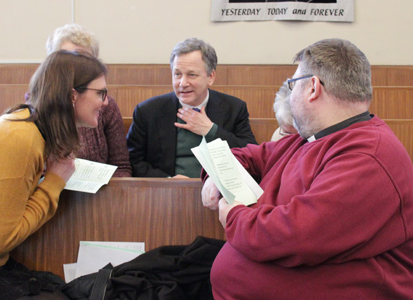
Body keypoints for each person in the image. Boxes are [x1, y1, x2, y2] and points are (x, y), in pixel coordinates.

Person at [201, 38, 413, 299]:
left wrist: (234, 215)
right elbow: (249, 155)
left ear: (312, 87)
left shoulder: (368, 155)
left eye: (293, 85)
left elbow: (296, 237)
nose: (291, 96)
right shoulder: (311, 138)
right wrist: (216, 174)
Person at [0, 50, 108, 299]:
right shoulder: (20, 139)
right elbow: (3, 239)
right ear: (73, 95)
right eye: (101, 93)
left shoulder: (25, 126)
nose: (106, 102)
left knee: (65, 288)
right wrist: (54, 181)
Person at [127, 37, 257, 178]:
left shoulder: (234, 108)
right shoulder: (148, 111)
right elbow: (133, 161)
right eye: (177, 74)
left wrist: (211, 130)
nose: (183, 83)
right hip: (165, 193)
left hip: (218, 192)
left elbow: (251, 155)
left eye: (192, 75)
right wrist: (168, 181)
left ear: (210, 77)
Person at [46, 23, 131, 177]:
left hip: (100, 195)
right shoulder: (39, 108)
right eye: (69, 59)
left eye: (85, 60)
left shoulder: (105, 105)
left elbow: (122, 167)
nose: (78, 67)